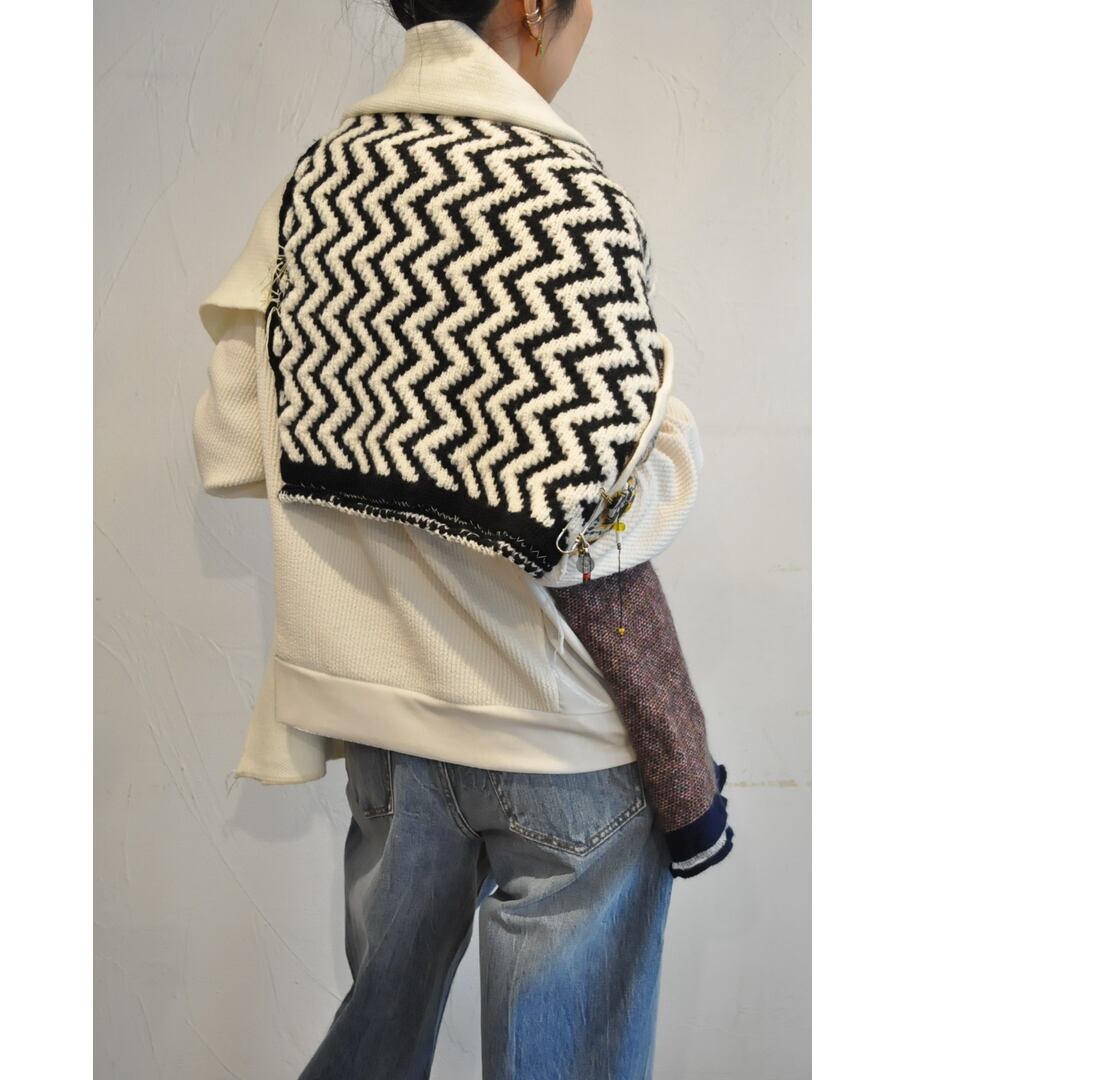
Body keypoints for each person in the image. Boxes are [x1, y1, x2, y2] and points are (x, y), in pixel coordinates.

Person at [192, 3, 709, 1076]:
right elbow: (615, 505)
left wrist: (382, 415)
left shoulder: (312, 187)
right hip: (553, 734)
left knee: (374, 1046)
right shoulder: (569, 194)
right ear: (530, 8)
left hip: (387, 728)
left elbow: (236, 445)